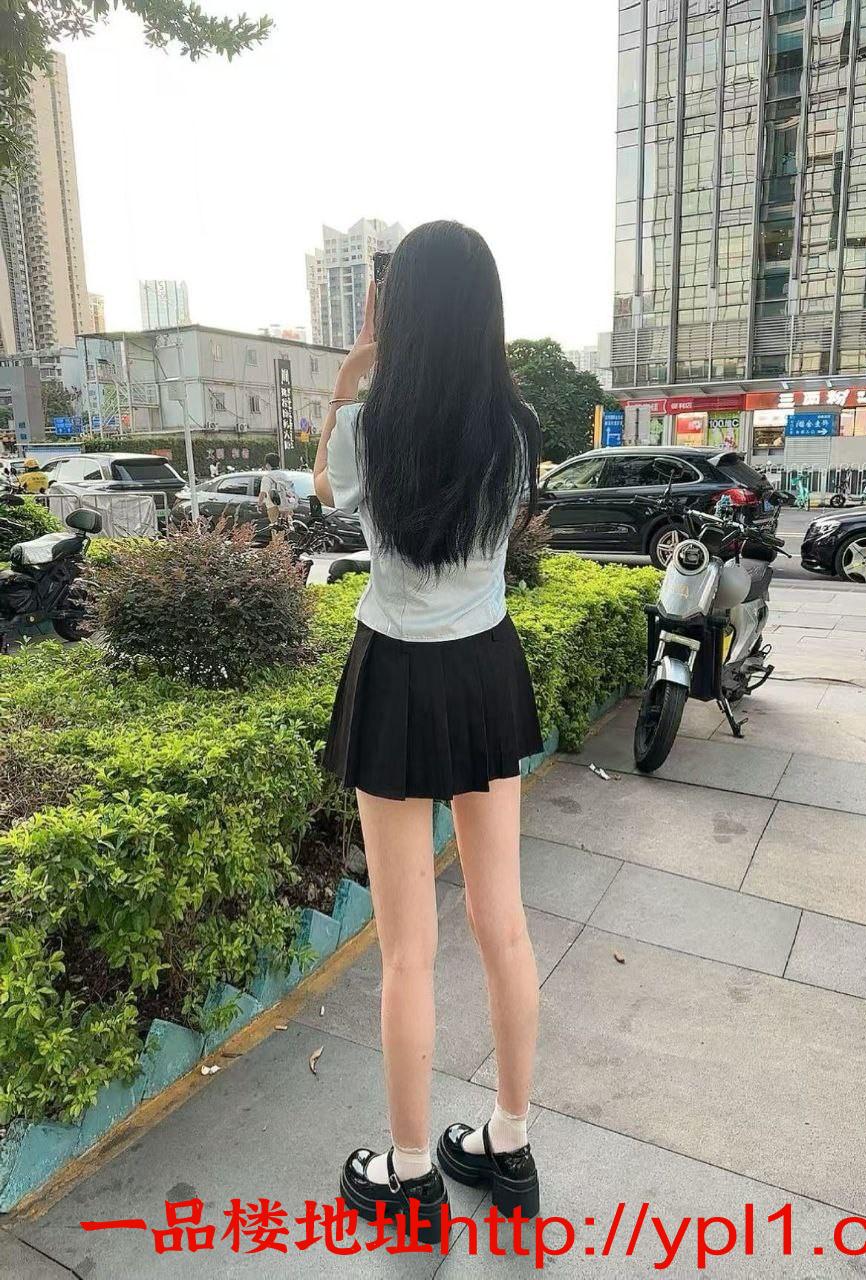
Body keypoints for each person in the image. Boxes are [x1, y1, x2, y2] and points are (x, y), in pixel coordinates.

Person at [315, 221, 543, 1237]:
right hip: (484, 668)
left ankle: (409, 1177)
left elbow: (328, 497)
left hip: (396, 673)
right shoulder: (517, 429)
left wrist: (348, 382)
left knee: (407, 947)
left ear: (393, 311)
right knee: (504, 923)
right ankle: (509, 1143)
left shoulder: (371, 425)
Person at [257, 453, 294, 528]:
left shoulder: (267, 477)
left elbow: (263, 492)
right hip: (286, 506)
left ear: (267, 465)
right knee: (287, 527)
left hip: (273, 506)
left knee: (276, 528)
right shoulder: (285, 475)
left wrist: (259, 505)